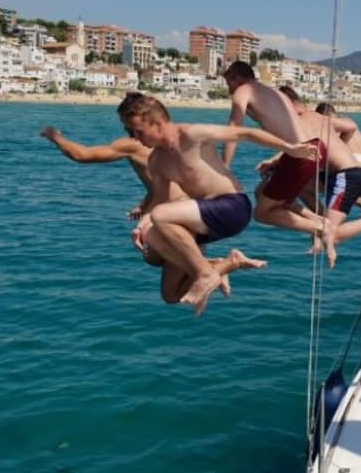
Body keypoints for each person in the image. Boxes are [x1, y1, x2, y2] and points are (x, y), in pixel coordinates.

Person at [120, 94, 319, 315]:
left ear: (157, 123)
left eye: (137, 131)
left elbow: (245, 133)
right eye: (130, 132)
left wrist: (290, 148)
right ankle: (223, 266)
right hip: (206, 218)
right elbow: (159, 198)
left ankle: (206, 274)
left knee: (159, 217)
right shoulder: (156, 161)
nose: (134, 137)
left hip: (233, 207)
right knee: (163, 267)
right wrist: (141, 227)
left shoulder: (191, 134)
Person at [260, 86, 361, 267]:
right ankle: (328, 222)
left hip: (346, 173)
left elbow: (298, 149)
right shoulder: (321, 118)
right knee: (305, 204)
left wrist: (274, 162)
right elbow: (350, 127)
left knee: (332, 234)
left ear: (288, 104)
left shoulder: (301, 120)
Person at [222, 62, 329, 236]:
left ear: (237, 77)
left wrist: (224, 167)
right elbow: (293, 129)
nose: (229, 91)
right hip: (316, 147)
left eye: (229, 84)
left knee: (262, 214)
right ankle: (321, 221)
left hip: (301, 155)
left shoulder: (244, 90)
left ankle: (321, 228)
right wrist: (277, 160)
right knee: (262, 194)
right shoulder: (273, 92)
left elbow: (233, 130)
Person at [314, 101, 361, 216]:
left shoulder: (327, 125)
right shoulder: (348, 121)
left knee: (328, 177)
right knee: (356, 180)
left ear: (320, 116)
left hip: (360, 166)